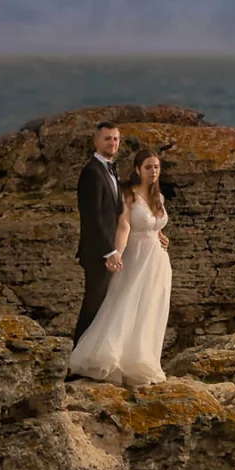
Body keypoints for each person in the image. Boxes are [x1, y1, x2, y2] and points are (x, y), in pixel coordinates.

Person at [67, 149, 171, 386]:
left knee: (149, 309)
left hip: (158, 262)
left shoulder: (159, 197)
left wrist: (162, 236)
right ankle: (108, 357)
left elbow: (154, 226)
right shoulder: (128, 195)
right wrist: (117, 254)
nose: (153, 171)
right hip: (135, 257)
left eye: (156, 167)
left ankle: (141, 361)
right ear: (137, 169)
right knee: (125, 302)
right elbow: (124, 226)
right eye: (148, 167)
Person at [74, 122, 124, 338]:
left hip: (110, 250)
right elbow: (92, 217)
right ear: (96, 142)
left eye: (115, 139)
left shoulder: (111, 169)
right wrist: (109, 251)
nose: (112, 143)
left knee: (106, 306)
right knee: (93, 304)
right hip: (97, 252)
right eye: (107, 138)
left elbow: (117, 211)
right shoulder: (91, 172)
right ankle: (76, 359)